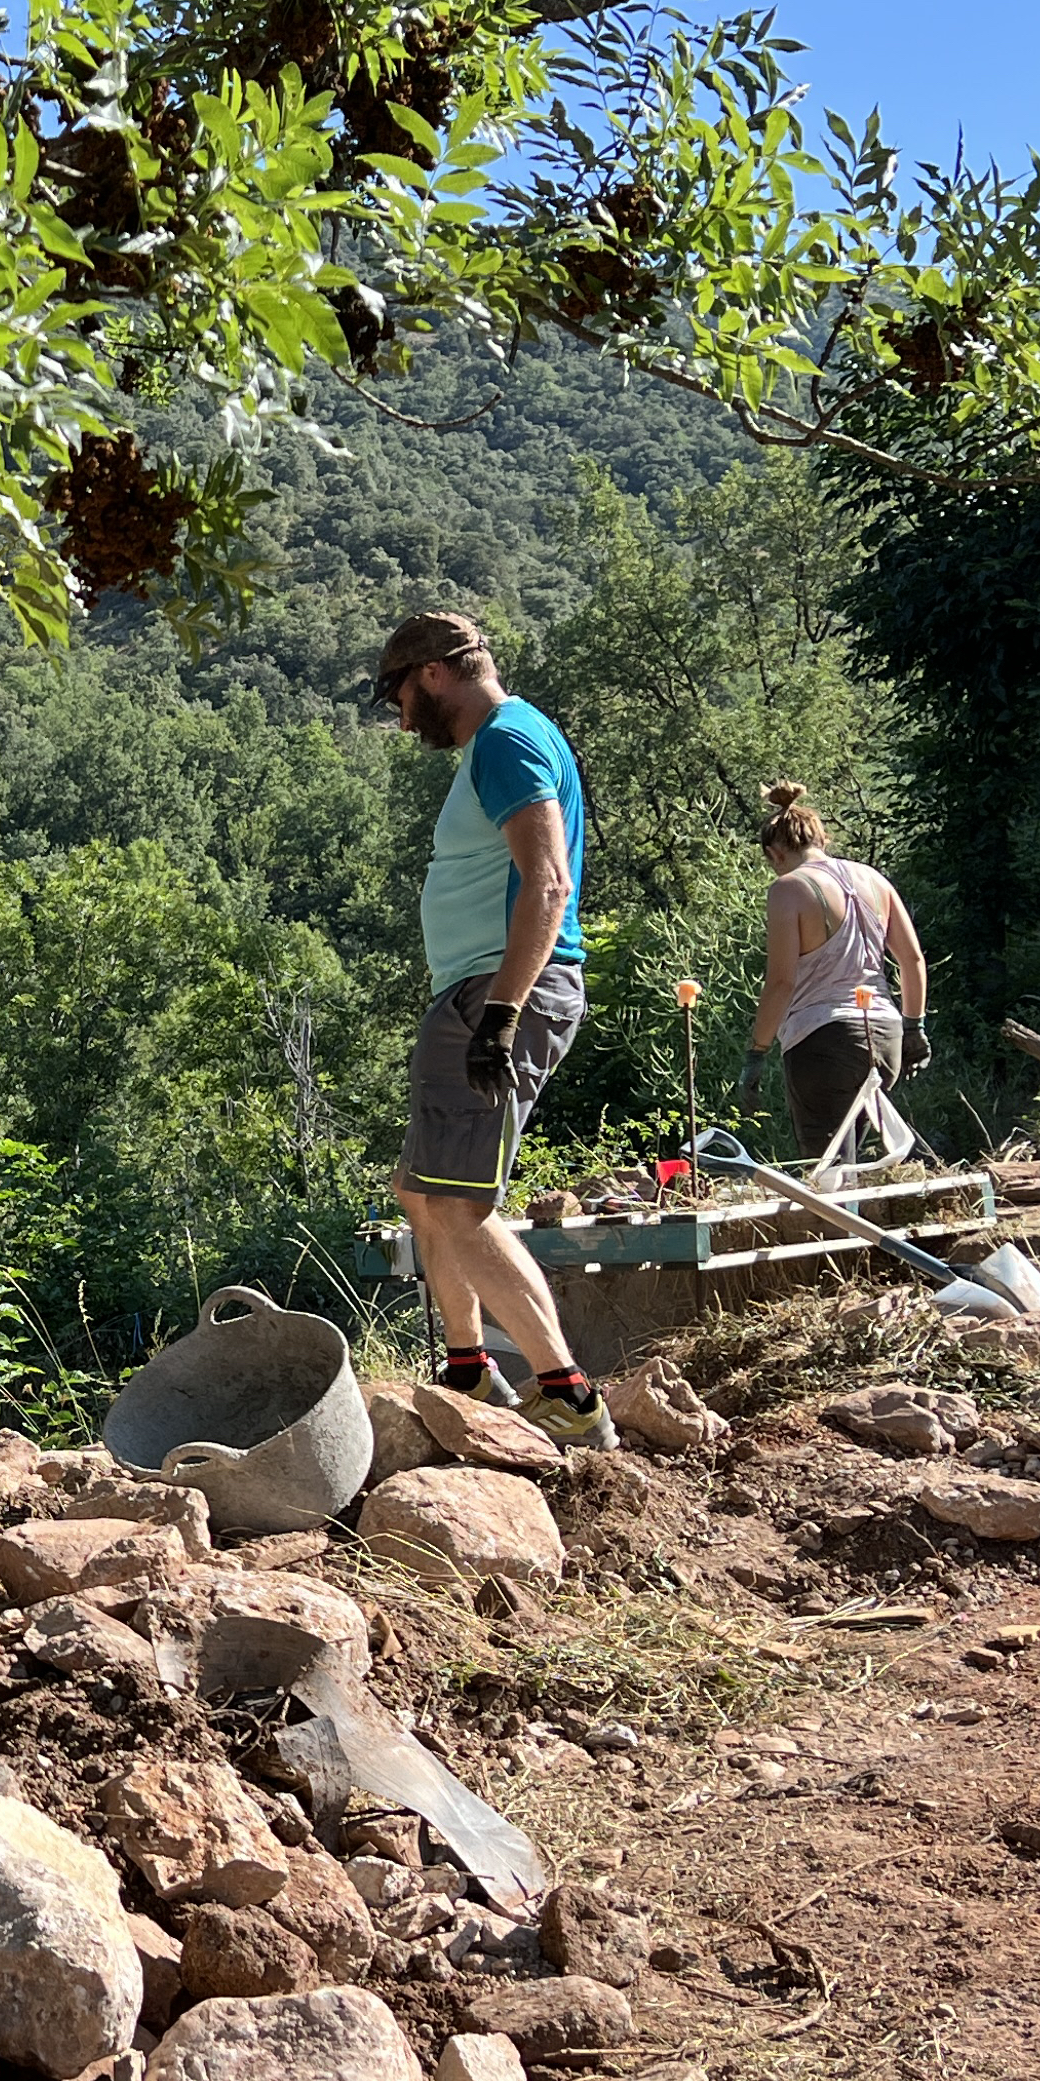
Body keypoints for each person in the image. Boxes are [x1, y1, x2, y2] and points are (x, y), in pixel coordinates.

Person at [379, 608, 615, 1450]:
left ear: (434, 674)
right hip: (475, 991)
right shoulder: (503, 742)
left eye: (398, 695)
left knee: (459, 1203)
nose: (401, 718)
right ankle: (469, 1369)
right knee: (422, 1191)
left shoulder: (509, 738)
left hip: (498, 990)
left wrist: (504, 1014)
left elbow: (547, 881)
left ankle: (569, 1394)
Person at [748, 781, 932, 1162]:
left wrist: (756, 1052)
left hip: (823, 1039)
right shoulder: (874, 879)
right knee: (854, 1163)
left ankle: (835, 1223)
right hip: (885, 1035)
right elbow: (912, 960)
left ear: (774, 853)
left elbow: (782, 982)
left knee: (827, 1165)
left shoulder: (788, 888)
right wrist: (914, 1026)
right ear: (822, 839)